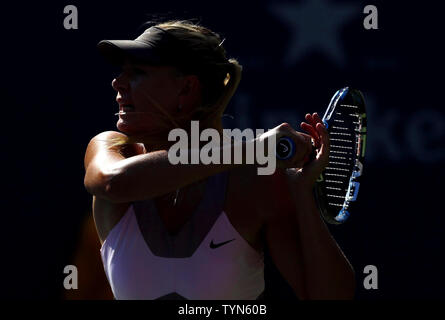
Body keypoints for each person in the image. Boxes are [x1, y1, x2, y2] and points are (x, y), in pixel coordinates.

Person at [84, 20, 355, 300]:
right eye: (122, 72)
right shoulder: (111, 148)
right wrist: (250, 150)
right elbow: (114, 183)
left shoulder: (254, 183)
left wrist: (301, 195)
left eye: (137, 72)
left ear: (187, 89)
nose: (118, 82)